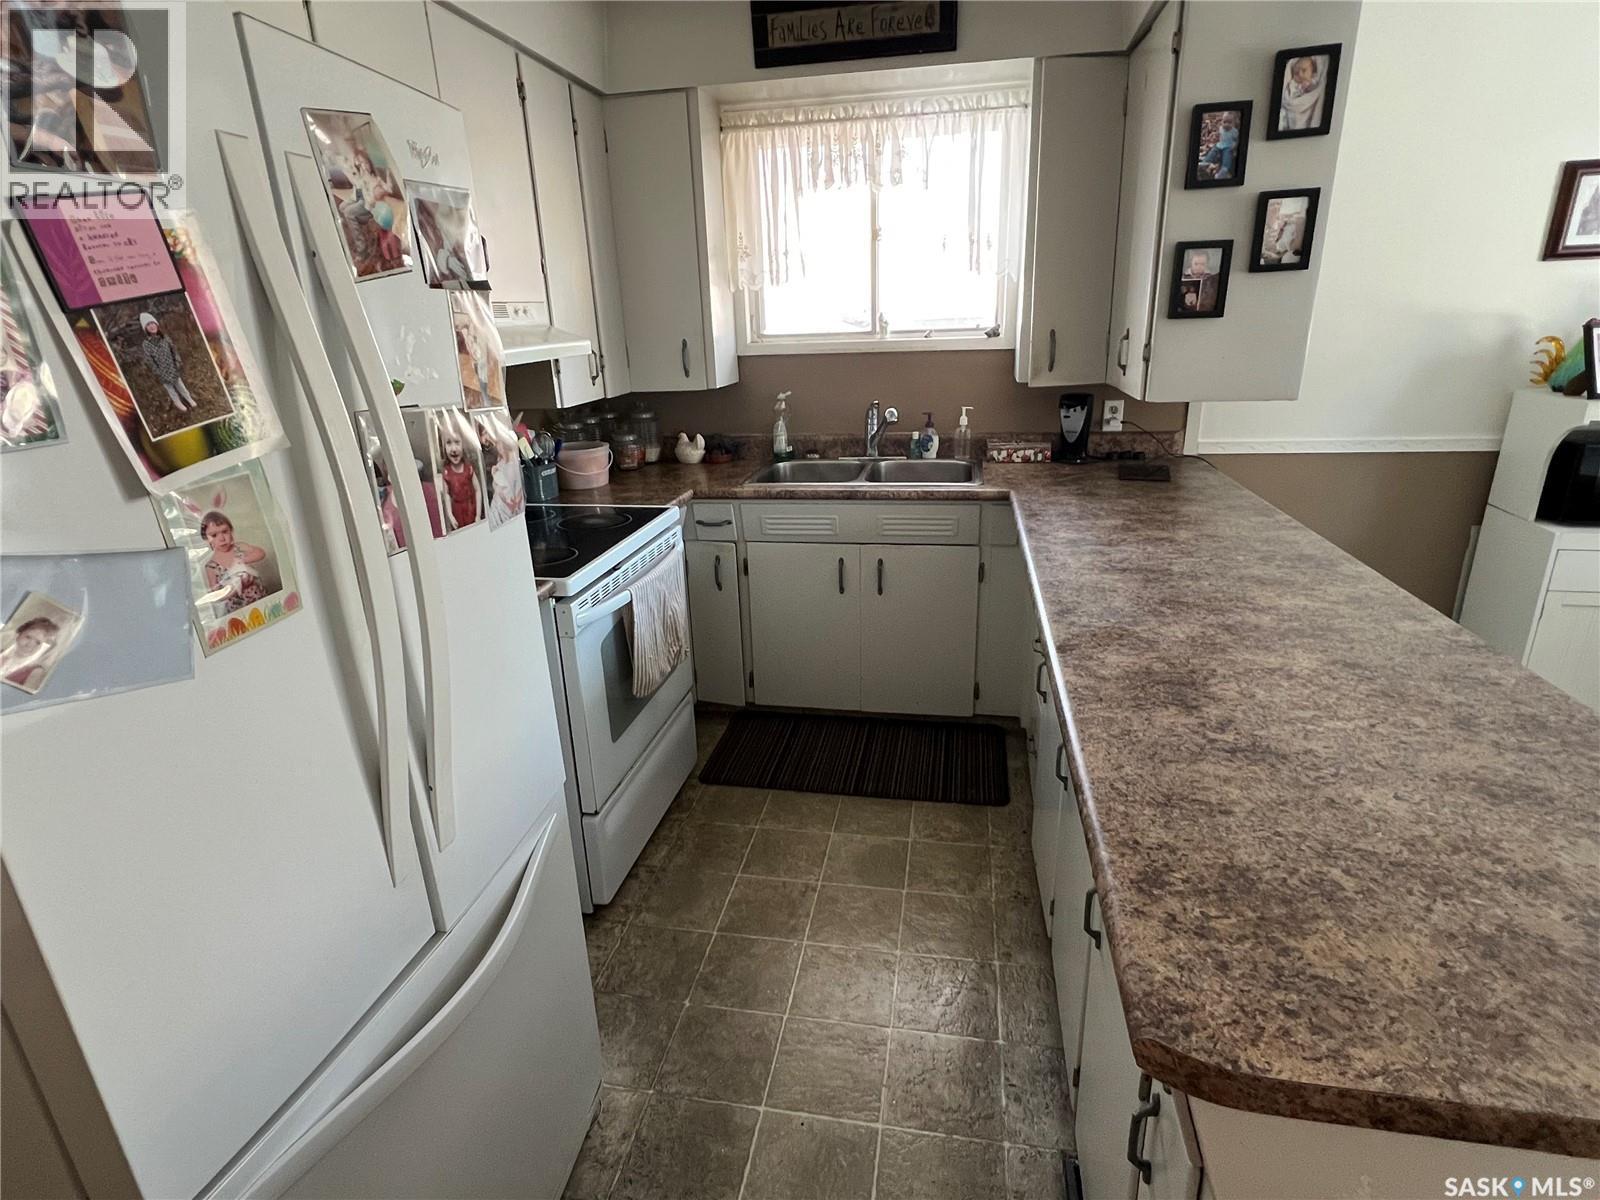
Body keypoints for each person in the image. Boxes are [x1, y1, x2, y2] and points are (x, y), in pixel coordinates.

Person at [199, 511, 270, 612]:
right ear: (207, 539)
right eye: (214, 535)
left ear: (231, 531)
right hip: (238, 608)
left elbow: (261, 553)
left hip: (259, 597)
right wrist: (235, 588)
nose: (222, 538)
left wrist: (243, 560)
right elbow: (215, 594)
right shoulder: (211, 566)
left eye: (225, 531)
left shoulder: (239, 547)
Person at [138, 312, 197, 413]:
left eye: (152, 323)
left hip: (173, 367)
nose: (151, 326)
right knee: (170, 389)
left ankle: (189, 399)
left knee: (180, 385)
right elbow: (150, 361)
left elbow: (174, 350)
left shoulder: (165, 338)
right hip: (162, 371)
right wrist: (158, 372)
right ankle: (177, 402)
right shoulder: (146, 344)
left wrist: (177, 361)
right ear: (145, 329)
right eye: (148, 325)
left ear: (156, 324)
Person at [437, 420, 482, 531]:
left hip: (471, 508)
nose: (453, 449)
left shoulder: (469, 468)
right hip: (457, 512)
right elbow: (446, 495)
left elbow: (478, 490)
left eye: (457, 442)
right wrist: (450, 516)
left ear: (463, 444)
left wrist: (478, 515)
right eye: (448, 443)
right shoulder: (446, 473)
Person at [2, 615, 61, 693]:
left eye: (37, 642)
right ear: (18, 635)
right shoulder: (2, 653)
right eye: (28, 637)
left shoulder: (36, 671)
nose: (30, 645)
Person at [484, 424, 525, 528]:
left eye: (498, 443)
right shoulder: (502, 463)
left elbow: (507, 492)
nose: (497, 447)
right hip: (498, 512)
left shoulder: (511, 465)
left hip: (505, 513)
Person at [1278, 56, 1326, 132]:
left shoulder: (1313, 82)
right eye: (1296, 73)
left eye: (1304, 70)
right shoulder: (1292, 83)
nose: (1300, 74)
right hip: (1293, 106)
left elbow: (1315, 92)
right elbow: (1287, 96)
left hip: (1305, 108)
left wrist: (1308, 87)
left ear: (1313, 72)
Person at [1198, 113, 1240, 180]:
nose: (1226, 124)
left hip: (1228, 146)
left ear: (1233, 123)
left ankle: (1223, 171)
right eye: (1224, 122)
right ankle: (1205, 162)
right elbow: (1219, 135)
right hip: (1220, 144)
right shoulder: (1221, 128)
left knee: (1227, 157)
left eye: (1229, 122)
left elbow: (1237, 140)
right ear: (1222, 122)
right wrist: (1213, 137)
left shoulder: (1234, 131)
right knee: (1213, 151)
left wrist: (1234, 146)